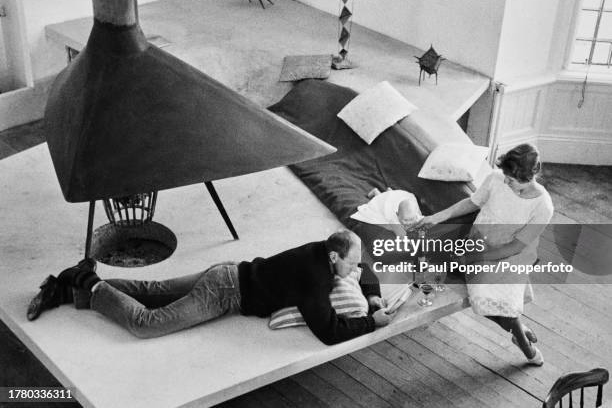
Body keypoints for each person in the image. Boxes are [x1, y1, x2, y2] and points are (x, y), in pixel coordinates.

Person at [27, 230, 395, 345]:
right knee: (146, 323)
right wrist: (370, 323)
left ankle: (62, 290)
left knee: (148, 287)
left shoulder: (325, 250)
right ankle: (86, 280)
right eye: (350, 261)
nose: (356, 267)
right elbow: (329, 331)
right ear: (334, 259)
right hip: (224, 293)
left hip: (229, 273)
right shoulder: (313, 278)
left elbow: (366, 269)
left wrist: (373, 295)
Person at [411, 143, 554, 366]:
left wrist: (477, 259)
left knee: (501, 299)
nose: (506, 181)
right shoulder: (497, 178)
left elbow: (516, 246)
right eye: (506, 175)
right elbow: (472, 202)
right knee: (481, 299)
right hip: (480, 243)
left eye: (513, 179)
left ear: (532, 174)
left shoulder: (543, 205)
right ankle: (518, 329)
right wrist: (438, 217)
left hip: (510, 255)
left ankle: (523, 343)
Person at [351, 188, 423, 237]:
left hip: (398, 198)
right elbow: (403, 237)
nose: (409, 222)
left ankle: (390, 192)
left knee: (392, 197)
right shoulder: (394, 220)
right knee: (381, 202)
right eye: (406, 220)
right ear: (397, 215)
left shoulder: (416, 217)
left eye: (411, 219)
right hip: (387, 205)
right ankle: (376, 192)